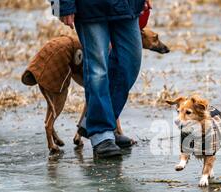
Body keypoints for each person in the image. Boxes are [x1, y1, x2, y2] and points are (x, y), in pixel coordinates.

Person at [53, 0, 150, 158]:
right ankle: (101, 133)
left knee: (130, 61)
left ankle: (94, 120)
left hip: (127, 5)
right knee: (98, 69)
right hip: (90, 8)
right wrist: (61, 6)